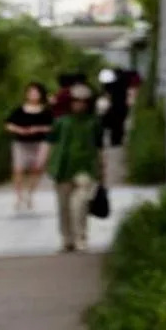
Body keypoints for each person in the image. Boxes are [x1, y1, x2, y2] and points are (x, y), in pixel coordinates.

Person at [47, 79, 102, 252]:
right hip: (63, 168)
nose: (79, 105)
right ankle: (67, 238)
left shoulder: (94, 122)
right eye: (76, 101)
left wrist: (101, 169)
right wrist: (46, 164)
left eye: (83, 101)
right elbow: (50, 143)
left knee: (79, 204)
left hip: (85, 167)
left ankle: (80, 238)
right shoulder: (61, 122)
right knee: (63, 206)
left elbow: (100, 147)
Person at [4, 81, 54, 212]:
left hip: (40, 142)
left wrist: (39, 128)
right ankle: (18, 196)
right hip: (21, 142)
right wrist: (19, 130)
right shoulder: (19, 110)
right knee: (18, 169)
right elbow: (8, 124)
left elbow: (53, 127)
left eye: (36, 92)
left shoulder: (47, 112)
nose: (33, 95)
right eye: (31, 92)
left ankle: (30, 193)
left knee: (37, 168)